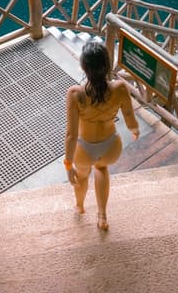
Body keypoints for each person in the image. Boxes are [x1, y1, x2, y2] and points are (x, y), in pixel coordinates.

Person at [64, 42, 140, 231]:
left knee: (82, 176)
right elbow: (130, 117)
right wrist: (134, 130)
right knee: (102, 169)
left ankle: (80, 206)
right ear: (107, 65)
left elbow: (71, 135)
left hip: (83, 148)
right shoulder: (121, 88)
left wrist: (68, 164)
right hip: (110, 146)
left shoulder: (75, 94)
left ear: (83, 67)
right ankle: (102, 216)